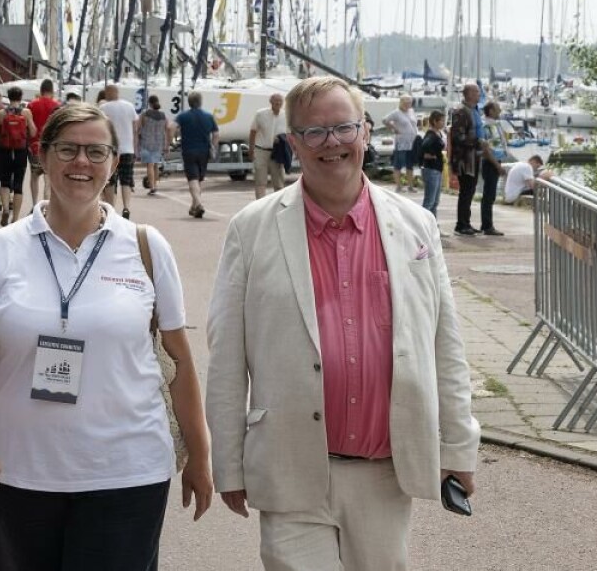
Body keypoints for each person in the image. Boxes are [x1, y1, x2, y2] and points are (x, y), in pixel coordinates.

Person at [206, 76, 480, 571]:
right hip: (291, 465)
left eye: (343, 128)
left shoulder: (415, 225)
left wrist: (458, 445)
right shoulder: (251, 229)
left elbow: (445, 344)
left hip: (383, 472)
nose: (331, 143)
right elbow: (226, 356)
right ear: (293, 143)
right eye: (314, 132)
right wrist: (227, 463)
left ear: (366, 133)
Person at [0, 102, 212, 570]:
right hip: (18, 473)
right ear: (43, 155)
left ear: (114, 162)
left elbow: (180, 362)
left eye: (96, 152)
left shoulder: (147, 248)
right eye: (68, 149)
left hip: (127, 472)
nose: (81, 163)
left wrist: (199, 452)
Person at [0, 85, 36, 226]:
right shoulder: (26, 112)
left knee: (5, 181)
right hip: (21, 151)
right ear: (20, 97)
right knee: (18, 184)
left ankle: (5, 209)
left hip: (4, 150)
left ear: (8, 98)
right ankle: (15, 218)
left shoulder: (1, 114)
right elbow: (33, 132)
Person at [174, 91, 218, 218]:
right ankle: (194, 207)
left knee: (193, 179)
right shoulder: (209, 116)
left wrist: (171, 140)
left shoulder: (183, 116)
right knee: (199, 179)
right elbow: (215, 134)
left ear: (189, 102)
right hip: (204, 151)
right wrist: (213, 147)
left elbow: (171, 127)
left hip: (189, 150)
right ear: (201, 102)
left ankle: (198, 204)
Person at [99, 84, 139, 219]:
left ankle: (111, 209)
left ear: (108, 93)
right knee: (126, 180)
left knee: (111, 180)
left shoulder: (104, 108)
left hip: (111, 150)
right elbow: (135, 129)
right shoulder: (129, 106)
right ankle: (126, 207)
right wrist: (135, 148)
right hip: (128, 149)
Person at [449, 83, 483, 236]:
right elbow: (457, 136)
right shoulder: (460, 112)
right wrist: (476, 141)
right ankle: (461, 225)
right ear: (468, 94)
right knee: (466, 191)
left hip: (475, 157)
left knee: (470, 191)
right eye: (476, 92)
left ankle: (466, 222)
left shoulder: (475, 110)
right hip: (465, 160)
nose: (479, 94)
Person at [27, 78, 61, 205]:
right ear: (52, 91)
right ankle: (46, 203)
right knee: (48, 179)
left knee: (34, 176)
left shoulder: (32, 105)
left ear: (41, 90)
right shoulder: (57, 106)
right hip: (51, 147)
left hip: (35, 146)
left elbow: (27, 126)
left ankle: (35, 203)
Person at [248, 93, 287, 199]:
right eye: (276, 101)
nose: (278, 103)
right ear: (271, 102)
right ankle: (260, 205)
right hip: (261, 151)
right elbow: (253, 132)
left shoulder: (286, 116)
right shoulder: (260, 114)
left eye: (280, 101)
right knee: (260, 181)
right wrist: (251, 150)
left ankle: (278, 206)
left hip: (277, 152)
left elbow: (290, 134)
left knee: (278, 183)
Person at [478, 101, 506, 236]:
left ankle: (487, 224)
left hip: (495, 161)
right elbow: (486, 149)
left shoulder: (494, 124)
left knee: (491, 195)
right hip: (490, 162)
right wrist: (497, 165)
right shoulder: (487, 126)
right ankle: (487, 225)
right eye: (497, 109)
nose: (499, 111)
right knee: (489, 195)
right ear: (490, 111)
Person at [135, 94, 170, 196]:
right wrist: (166, 144)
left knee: (150, 165)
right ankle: (155, 185)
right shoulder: (164, 116)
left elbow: (138, 128)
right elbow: (167, 129)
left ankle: (152, 187)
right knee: (155, 165)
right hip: (158, 143)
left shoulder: (144, 114)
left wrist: (136, 144)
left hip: (146, 143)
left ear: (149, 103)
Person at [382, 94, 419, 193]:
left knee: (410, 165)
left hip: (412, 142)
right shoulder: (396, 113)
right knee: (398, 164)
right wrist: (394, 129)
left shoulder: (411, 111)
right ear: (401, 102)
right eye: (406, 102)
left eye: (409, 102)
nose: (408, 104)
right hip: (401, 142)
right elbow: (385, 120)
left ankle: (410, 186)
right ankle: (398, 186)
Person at [419, 110, 446, 219]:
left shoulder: (437, 133)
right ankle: (422, 225)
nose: (443, 123)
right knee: (429, 201)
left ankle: (433, 225)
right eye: (441, 121)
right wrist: (430, 155)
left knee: (435, 201)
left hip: (437, 169)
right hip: (431, 170)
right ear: (435, 121)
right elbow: (423, 147)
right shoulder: (431, 135)